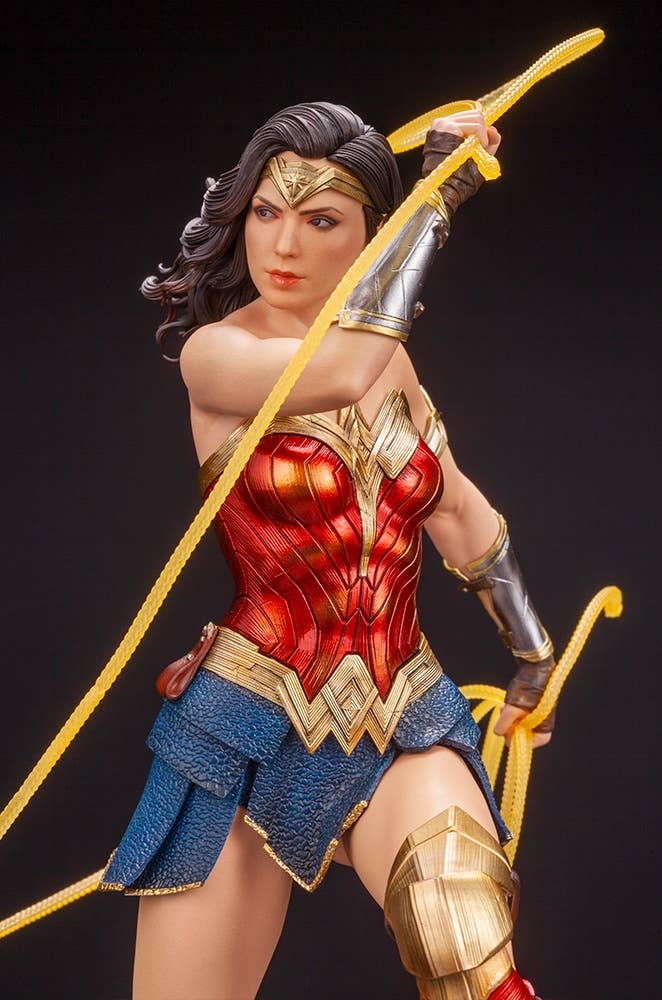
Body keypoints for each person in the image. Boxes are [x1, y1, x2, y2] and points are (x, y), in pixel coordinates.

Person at [100, 101, 556, 1000]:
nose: (283, 245)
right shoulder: (216, 356)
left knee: (455, 918)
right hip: (243, 726)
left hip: (402, 709)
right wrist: (435, 202)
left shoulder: (395, 372)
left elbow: (454, 506)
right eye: (267, 211)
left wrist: (531, 650)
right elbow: (336, 370)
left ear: (366, 237)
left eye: (321, 221)